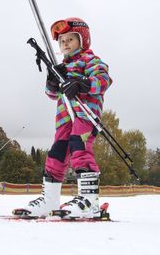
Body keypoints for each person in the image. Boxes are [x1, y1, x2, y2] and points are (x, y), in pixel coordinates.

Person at [14, 17, 112, 218]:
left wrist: (81, 83)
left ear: (82, 40)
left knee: (80, 147)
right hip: (64, 119)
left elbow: (103, 80)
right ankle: (49, 200)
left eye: (70, 39)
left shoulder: (90, 60)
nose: (65, 44)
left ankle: (89, 201)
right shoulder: (62, 67)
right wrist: (52, 80)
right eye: (62, 41)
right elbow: (51, 95)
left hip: (85, 114)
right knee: (57, 153)